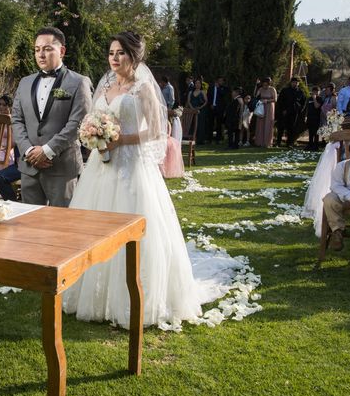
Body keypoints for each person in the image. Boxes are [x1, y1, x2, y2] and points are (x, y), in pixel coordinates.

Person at [63, 31, 243, 330]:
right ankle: (92, 295)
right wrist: (93, 135)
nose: (114, 58)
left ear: (134, 56)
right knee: (93, 226)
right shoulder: (105, 84)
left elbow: (157, 133)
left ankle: (133, 298)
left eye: (120, 52)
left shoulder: (143, 88)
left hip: (131, 167)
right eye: (111, 52)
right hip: (100, 167)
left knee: (132, 231)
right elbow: (91, 118)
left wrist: (120, 140)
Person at [11, 27, 93, 207]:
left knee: (63, 228)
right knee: (30, 226)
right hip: (29, 166)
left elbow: (77, 123)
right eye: (37, 49)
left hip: (62, 168)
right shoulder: (24, 82)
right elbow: (16, 120)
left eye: (47, 49)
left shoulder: (79, 82)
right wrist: (29, 151)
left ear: (62, 51)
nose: (41, 54)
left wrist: (47, 151)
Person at [276, 77, 306, 147]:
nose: (294, 84)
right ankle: (278, 142)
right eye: (293, 82)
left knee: (291, 128)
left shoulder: (300, 92)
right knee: (281, 127)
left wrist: (299, 109)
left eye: (296, 82)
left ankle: (289, 143)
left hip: (294, 112)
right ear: (291, 83)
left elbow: (303, 102)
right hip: (284, 111)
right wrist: (282, 109)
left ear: (298, 83)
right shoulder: (285, 90)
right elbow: (280, 100)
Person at [254, 77, 277, 148]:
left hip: (269, 107)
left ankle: (267, 142)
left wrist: (267, 101)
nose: (265, 86)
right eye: (264, 85)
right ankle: (259, 142)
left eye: (266, 85)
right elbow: (255, 95)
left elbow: (275, 99)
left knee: (268, 123)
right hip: (261, 107)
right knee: (260, 123)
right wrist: (256, 85)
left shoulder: (272, 89)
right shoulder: (261, 89)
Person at [207, 76, 230, 143]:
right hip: (211, 108)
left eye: (222, 81)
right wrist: (210, 104)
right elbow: (208, 97)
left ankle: (218, 139)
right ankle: (209, 139)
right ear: (216, 81)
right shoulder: (211, 88)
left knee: (219, 124)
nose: (220, 82)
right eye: (219, 80)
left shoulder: (224, 88)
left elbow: (223, 95)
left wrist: (218, 88)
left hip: (219, 109)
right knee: (210, 123)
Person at [187, 78, 208, 144]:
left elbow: (206, 101)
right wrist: (192, 108)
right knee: (192, 124)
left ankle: (200, 140)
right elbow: (189, 101)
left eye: (199, 83)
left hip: (200, 111)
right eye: (196, 83)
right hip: (192, 111)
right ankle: (193, 139)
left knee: (200, 125)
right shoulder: (191, 92)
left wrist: (200, 107)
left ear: (200, 84)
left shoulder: (203, 92)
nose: (197, 84)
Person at [305, 86, 323, 151]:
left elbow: (316, 106)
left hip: (316, 118)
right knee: (310, 132)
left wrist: (315, 99)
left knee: (316, 133)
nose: (315, 93)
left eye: (317, 91)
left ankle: (315, 146)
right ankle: (310, 144)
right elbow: (307, 108)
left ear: (319, 92)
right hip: (310, 117)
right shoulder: (309, 99)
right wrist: (306, 116)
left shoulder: (320, 99)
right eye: (314, 91)